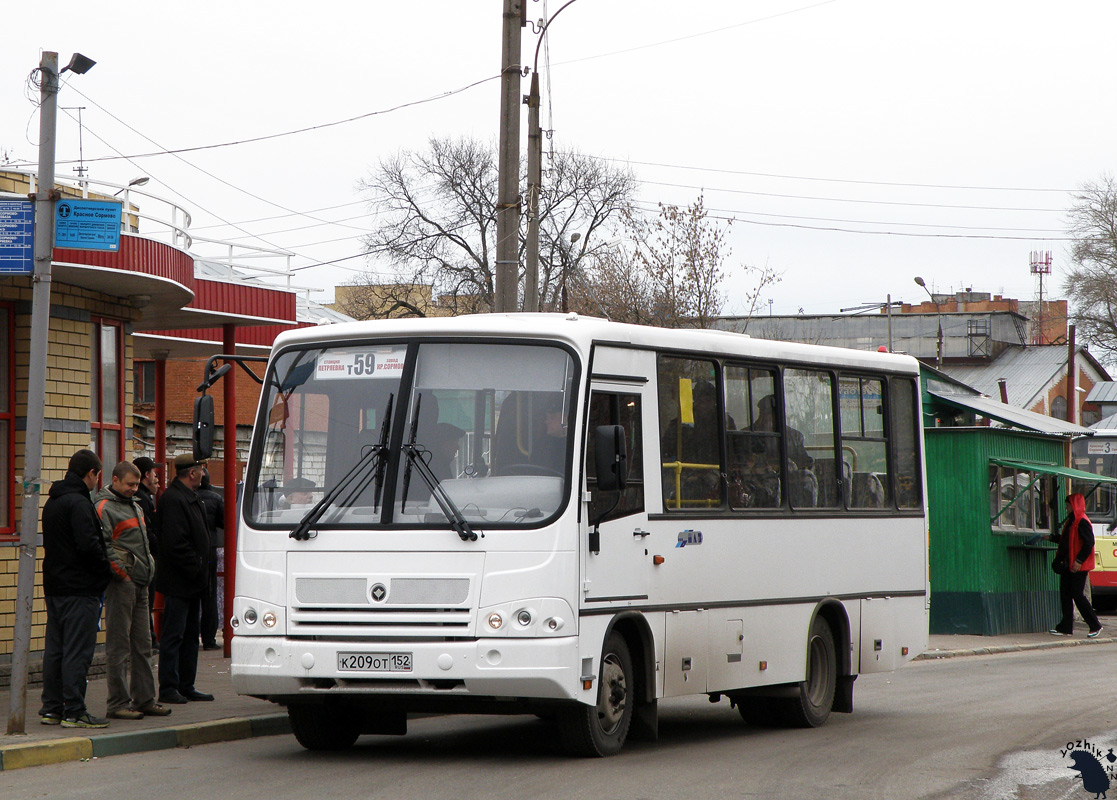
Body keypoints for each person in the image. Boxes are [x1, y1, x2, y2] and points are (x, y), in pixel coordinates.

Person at [38, 449, 113, 728]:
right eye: (97, 475)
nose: (97, 482)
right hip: (81, 589)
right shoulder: (80, 504)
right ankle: (75, 711)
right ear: (91, 473)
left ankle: (51, 708)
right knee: (77, 651)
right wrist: (105, 570)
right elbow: (88, 546)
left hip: (55, 586)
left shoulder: (53, 502)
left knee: (55, 650)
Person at [94, 461, 172, 720]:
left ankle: (145, 699)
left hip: (139, 581)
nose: (134, 489)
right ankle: (117, 702)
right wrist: (122, 573)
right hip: (124, 583)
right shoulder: (104, 507)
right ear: (115, 480)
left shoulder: (135, 506)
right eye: (130, 484)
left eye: (137, 485)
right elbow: (103, 546)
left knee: (143, 644)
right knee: (119, 644)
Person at [155, 454, 215, 704]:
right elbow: (175, 543)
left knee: (191, 635)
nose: (203, 473)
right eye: (201, 469)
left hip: (193, 581)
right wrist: (197, 566)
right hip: (180, 581)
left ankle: (186, 685)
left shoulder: (192, 497)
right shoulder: (173, 499)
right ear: (191, 472)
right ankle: (169, 687)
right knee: (174, 634)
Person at [1048, 492, 1103, 638]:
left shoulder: (1082, 521)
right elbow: (1067, 540)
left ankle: (1095, 625)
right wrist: (1052, 538)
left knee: (1077, 594)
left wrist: (1079, 561)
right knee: (1065, 594)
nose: (1066, 508)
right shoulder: (1072, 521)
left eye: (1068, 505)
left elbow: (1089, 543)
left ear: (1074, 505)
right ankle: (1065, 627)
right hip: (1068, 563)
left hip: (1078, 565)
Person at [197, 468, 224, 651]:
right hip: (210, 548)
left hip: (190, 549)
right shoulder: (215, 498)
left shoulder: (186, 497)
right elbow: (224, 522)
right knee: (210, 594)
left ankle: (190, 635)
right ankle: (209, 639)